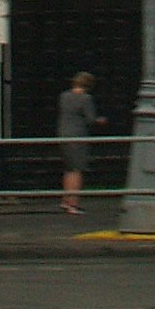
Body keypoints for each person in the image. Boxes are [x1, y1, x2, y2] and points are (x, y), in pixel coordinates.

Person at [57, 72, 99, 217]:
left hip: (63, 134)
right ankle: (73, 203)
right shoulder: (86, 99)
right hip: (78, 135)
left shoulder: (64, 96)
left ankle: (65, 199)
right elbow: (91, 119)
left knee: (68, 168)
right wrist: (100, 121)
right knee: (77, 170)